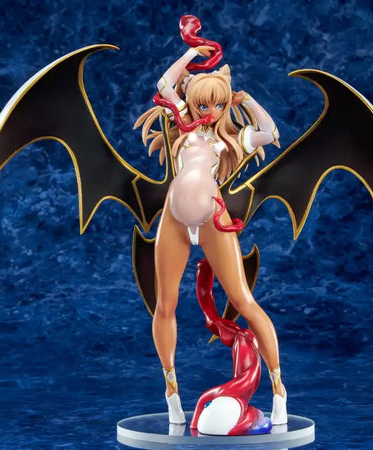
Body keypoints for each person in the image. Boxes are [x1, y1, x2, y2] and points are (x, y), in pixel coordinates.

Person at [134, 45, 287, 426]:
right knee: (165, 304)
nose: (211, 111)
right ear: (191, 101)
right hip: (174, 219)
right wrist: (190, 54)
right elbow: (164, 84)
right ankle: (172, 393)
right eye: (203, 104)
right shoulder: (182, 126)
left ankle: (279, 390)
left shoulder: (232, 140)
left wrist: (244, 100)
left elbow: (270, 132)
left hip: (212, 220)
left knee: (244, 300)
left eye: (218, 104)